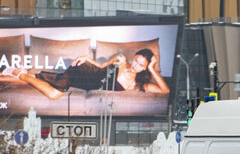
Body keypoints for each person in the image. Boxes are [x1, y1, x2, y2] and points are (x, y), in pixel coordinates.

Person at [0, 48, 169, 100]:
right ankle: (21, 74)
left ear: (146, 68)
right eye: (136, 61)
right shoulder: (122, 60)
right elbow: (101, 66)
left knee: (50, 82)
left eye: (141, 65)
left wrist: (153, 69)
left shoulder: (140, 85)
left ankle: (17, 74)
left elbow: (165, 91)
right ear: (134, 57)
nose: (135, 66)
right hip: (84, 73)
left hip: (87, 84)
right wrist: (86, 58)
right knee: (54, 93)